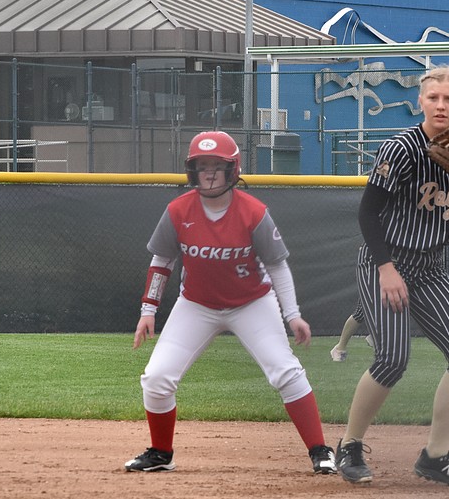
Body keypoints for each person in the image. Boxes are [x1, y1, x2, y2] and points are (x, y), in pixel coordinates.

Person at [127, 130, 336, 475]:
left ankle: (320, 450)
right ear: (191, 171)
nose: (208, 173)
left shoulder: (253, 212)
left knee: (285, 371)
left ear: (233, 169)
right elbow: (161, 261)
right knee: (157, 377)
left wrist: (293, 315)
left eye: (216, 166)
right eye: (201, 165)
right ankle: (161, 453)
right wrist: (148, 311)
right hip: (196, 304)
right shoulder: (178, 211)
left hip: (251, 303)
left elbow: (277, 266)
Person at [335, 64, 449, 487]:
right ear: (420, 101)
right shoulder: (402, 148)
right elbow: (367, 212)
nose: (441, 105)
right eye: (433, 97)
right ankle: (349, 445)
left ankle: (435, 456)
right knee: (392, 359)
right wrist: (386, 270)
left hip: (430, 267)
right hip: (384, 260)